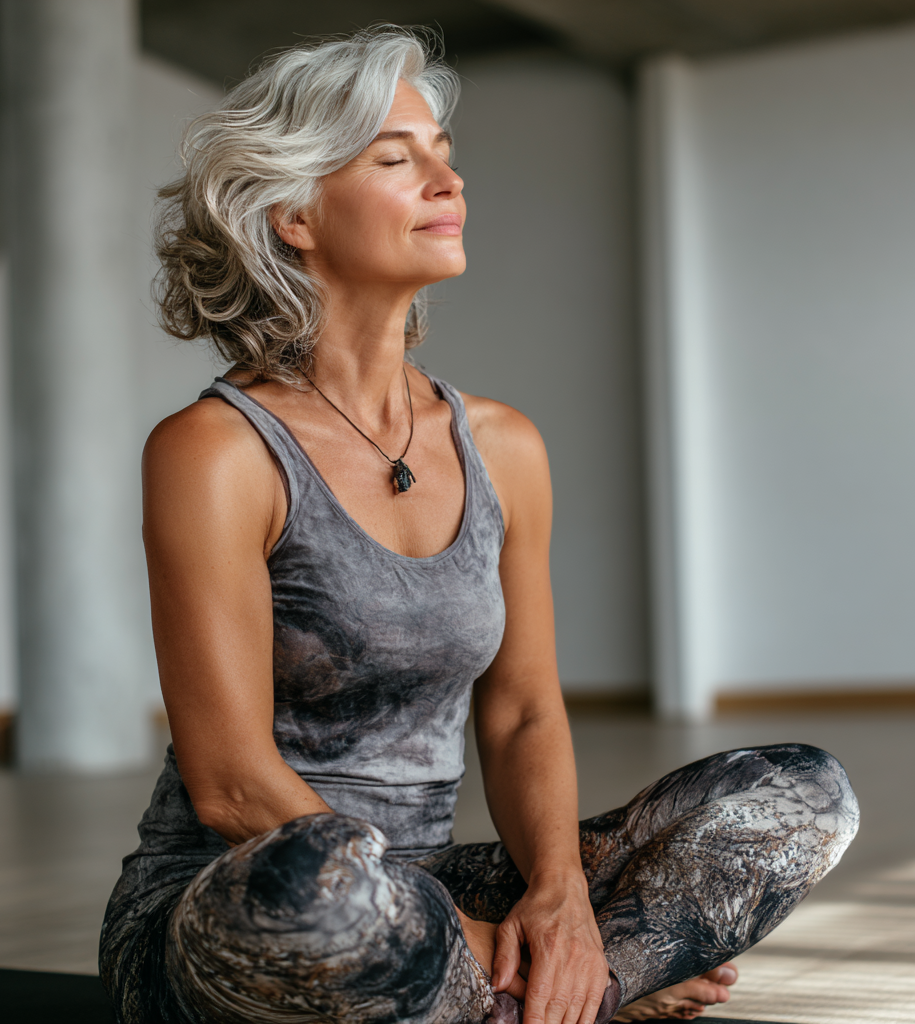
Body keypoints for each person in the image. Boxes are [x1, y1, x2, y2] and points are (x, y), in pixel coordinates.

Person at [100, 27, 859, 1024]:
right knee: (323, 894)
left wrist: (560, 901)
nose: (445, 179)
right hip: (250, 901)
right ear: (293, 214)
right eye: (394, 158)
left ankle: (545, 988)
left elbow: (524, 713)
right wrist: (480, 934)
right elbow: (233, 784)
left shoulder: (502, 444)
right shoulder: (216, 451)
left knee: (799, 794)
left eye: (444, 153)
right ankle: (576, 992)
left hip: (434, 887)